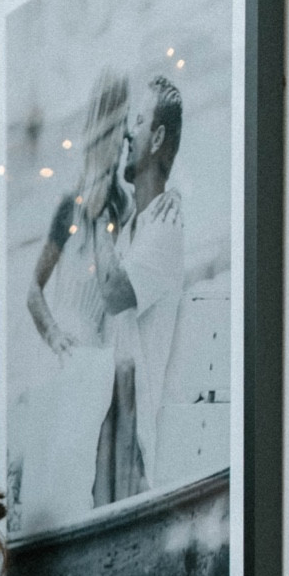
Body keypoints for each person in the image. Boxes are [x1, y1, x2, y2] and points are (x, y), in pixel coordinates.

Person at [21, 69, 132, 533]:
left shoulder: (121, 206)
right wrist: (53, 335)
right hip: (60, 357)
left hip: (96, 357)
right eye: (111, 130)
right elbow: (33, 291)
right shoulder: (68, 206)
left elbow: (118, 290)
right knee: (45, 467)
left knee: (77, 470)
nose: (118, 142)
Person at [92, 76, 186, 503]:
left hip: (139, 442)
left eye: (139, 121)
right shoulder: (135, 225)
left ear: (158, 138)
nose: (129, 132)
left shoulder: (165, 225)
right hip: (116, 421)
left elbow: (114, 293)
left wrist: (95, 211)